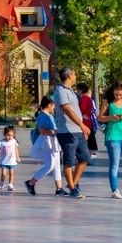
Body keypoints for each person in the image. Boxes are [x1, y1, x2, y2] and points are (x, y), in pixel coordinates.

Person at [54, 67, 91, 198]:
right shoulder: (60, 91)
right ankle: (73, 188)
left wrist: (82, 128)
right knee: (69, 161)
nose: (75, 77)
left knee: (84, 158)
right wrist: (82, 125)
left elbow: (77, 110)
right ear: (70, 75)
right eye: (74, 74)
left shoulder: (72, 92)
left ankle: (73, 185)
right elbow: (67, 110)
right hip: (67, 132)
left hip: (77, 131)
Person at [23, 96, 62, 196]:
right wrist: (54, 131)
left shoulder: (48, 115)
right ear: (49, 105)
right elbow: (42, 131)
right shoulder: (43, 115)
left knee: (56, 165)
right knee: (50, 166)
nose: (54, 107)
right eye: (53, 105)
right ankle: (31, 183)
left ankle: (59, 189)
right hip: (47, 142)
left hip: (53, 141)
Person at [0, 126, 21, 192]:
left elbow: (16, 150)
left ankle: (10, 185)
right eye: (8, 135)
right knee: (3, 174)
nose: (10, 137)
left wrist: (18, 157)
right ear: (4, 134)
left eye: (12, 135)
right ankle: (1, 184)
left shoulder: (14, 141)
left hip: (12, 160)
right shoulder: (1, 141)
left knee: (11, 173)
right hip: (4, 161)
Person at [76, 82, 99, 157]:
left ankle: (85, 157)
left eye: (78, 90)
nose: (77, 91)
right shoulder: (89, 99)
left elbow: (81, 110)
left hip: (84, 122)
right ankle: (87, 156)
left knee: (84, 140)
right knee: (87, 140)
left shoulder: (83, 99)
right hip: (88, 122)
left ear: (81, 90)